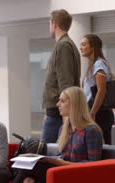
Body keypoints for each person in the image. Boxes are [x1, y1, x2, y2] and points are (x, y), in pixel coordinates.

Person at [0, 87, 103, 183]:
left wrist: (54, 162)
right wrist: (45, 159)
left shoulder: (91, 130)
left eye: (62, 101)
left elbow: (94, 166)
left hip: (78, 178)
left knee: (30, 169)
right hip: (62, 173)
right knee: (28, 180)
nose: (57, 104)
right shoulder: (65, 128)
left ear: (74, 104)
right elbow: (63, 157)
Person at [42, 9, 81, 143]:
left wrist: (66, 120)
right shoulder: (64, 44)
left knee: (46, 156)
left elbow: (66, 83)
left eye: (49, 23)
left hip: (59, 113)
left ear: (54, 24)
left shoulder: (64, 45)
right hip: (55, 111)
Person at [81, 34, 114, 144]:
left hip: (99, 112)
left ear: (93, 47)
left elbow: (101, 90)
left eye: (83, 44)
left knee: (98, 146)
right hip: (97, 110)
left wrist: (92, 112)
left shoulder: (98, 64)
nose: (81, 47)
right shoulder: (94, 64)